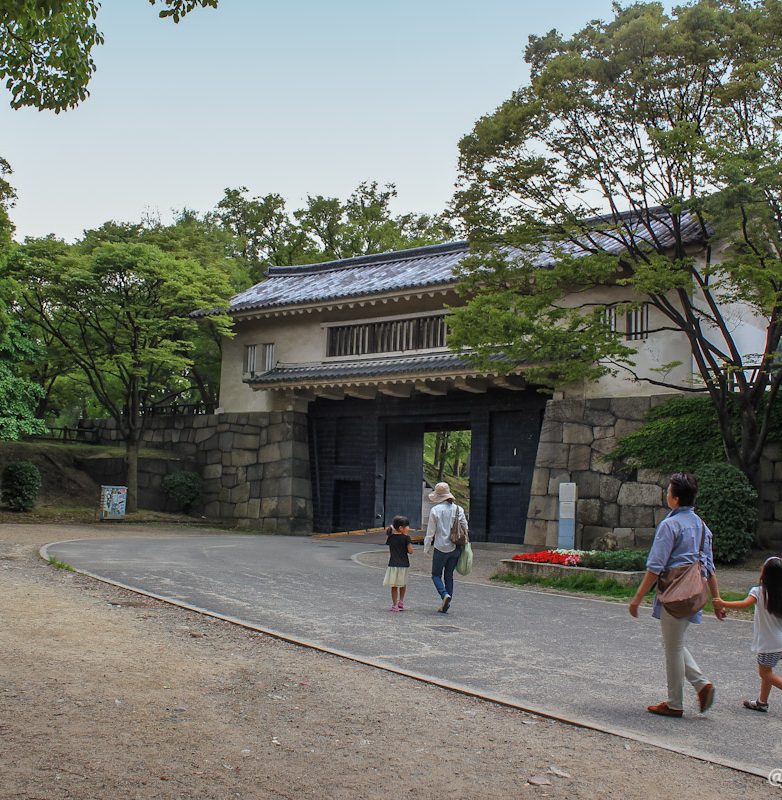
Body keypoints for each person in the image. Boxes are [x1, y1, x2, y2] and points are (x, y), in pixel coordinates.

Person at [628, 472, 723, 718]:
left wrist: (638, 597)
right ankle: (701, 686)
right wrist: (716, 600)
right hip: (695, 593)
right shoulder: (702, 526)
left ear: (676, 498)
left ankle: (676, 703)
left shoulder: (669, 525)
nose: (666, 493)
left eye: (669, 490)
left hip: (674, 593)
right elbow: (709, 567)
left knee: (673, 648)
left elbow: (655, 566)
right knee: (674, 643)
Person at [713, 556, 782, 712]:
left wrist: (722, 603)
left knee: (765, 673)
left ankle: (762, 702)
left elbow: (744, 604)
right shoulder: (779, 594)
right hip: (779, 642)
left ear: (765, 574)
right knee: (767, 671)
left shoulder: (758, 592)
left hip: (769, 643)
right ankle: (762, 702)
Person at [424, 482, 467, 614]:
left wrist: (426, 547)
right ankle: (447, 603)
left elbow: (430, 531)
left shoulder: (435, 510)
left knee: (436, 575)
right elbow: (465, 527)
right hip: (455, 547)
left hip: (440, 547)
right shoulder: (459, 509)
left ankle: (444, 595)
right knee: (449, 576)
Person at [383, 515, 414, 612]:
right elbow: (411, 551)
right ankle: (401, 601)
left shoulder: (391, 538)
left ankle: (394, 605)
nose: (409, 528)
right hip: (404, 565)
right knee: (403, 583)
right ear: (401, 528)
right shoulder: (406, 538)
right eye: (407, 526)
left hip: (393, 564)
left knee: (394, 586)